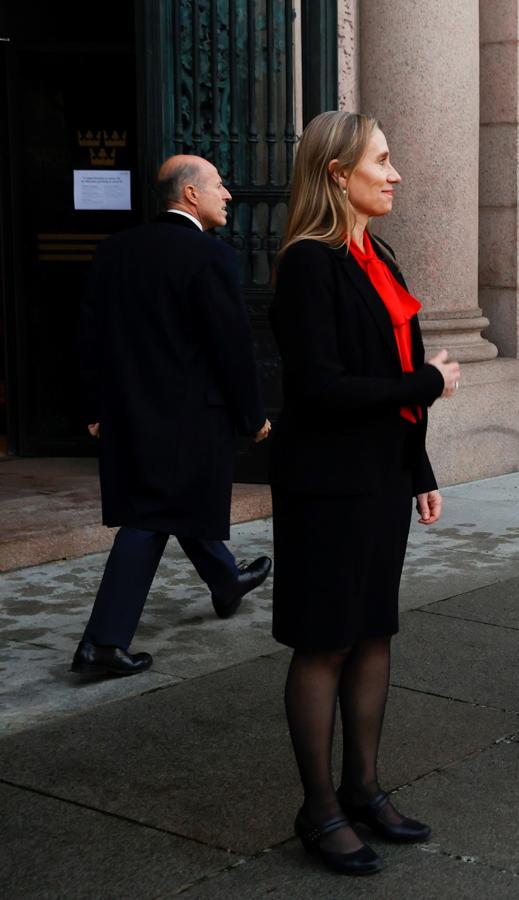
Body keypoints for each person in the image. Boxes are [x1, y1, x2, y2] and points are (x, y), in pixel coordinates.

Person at [269, 111, 460, 875]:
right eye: (382, 159)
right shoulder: (310, 264)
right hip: (326, 484)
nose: (396, 172)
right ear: (338, 173)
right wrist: (431, 383)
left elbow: (392, 379)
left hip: (380, 476)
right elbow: (321, 388)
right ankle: (317, 811)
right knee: (326, 641)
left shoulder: (376, 253)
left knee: (374, 630)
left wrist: (420, 472)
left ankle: (364, 790)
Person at [73, 154, 272, 678]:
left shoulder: (115, 250)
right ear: (189, 195)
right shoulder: (209, 256)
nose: (228, 194)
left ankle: (226, 578)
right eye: (219, 185)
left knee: (168, 504)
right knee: (150, 518)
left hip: (128, 415)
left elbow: (90, 336)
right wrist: (252, 415)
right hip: (186, 420)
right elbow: (231, 346)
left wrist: (95, 407)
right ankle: (102, 642)